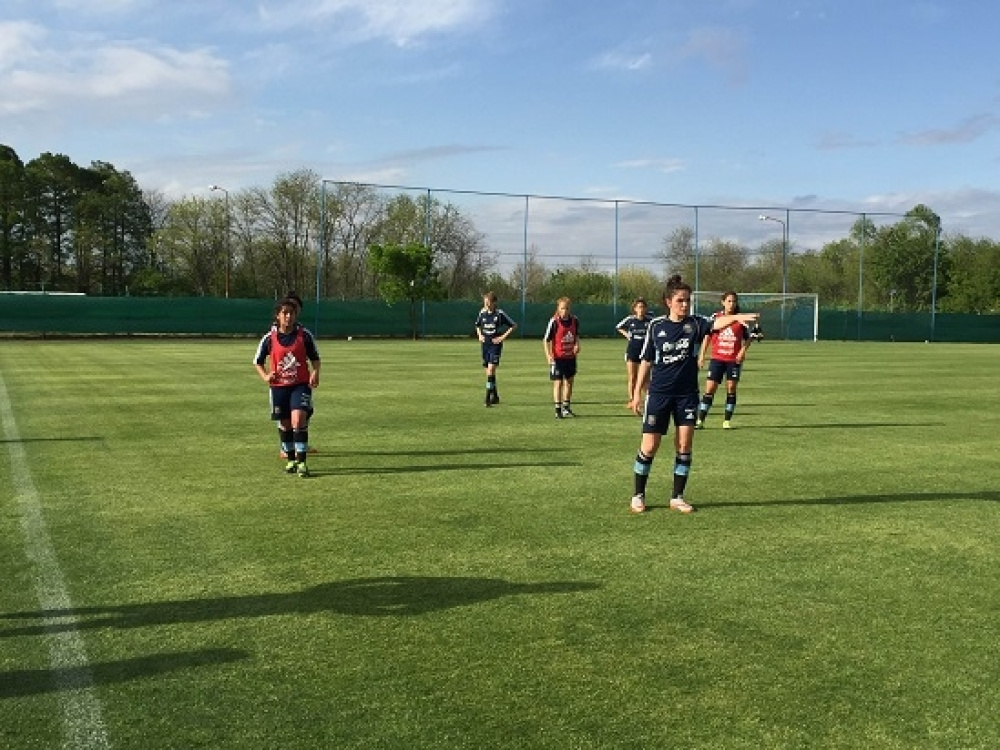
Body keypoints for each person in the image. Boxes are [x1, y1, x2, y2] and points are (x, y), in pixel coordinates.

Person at [627, 275, 759, 514]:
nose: (685, 304)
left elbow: (716, 323)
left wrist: (736, 318)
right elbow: (646, 362)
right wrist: (636, 394)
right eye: (680, 300)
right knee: (650, 445)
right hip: (659, 394)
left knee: (684, 445)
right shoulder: (656, 326)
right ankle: (638, 495)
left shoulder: (696, 324)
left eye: (688, 300)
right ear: (669, 301)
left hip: (686, 395)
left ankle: (677, 497)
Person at [253, 297, 321, 477]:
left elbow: (315, 358)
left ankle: (302, 463)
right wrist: (265, 376)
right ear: (278, 315)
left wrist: (315, 372)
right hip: (279, 387)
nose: (289, 316)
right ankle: (291, 460)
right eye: (285, 313)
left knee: (298, 420)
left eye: (291, 313)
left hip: (300, 385)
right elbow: (257, 361)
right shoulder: (269, 338)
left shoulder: (304, 335)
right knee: (285, 424)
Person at [696, 291, 753, 430]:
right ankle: (700, 420)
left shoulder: (740, 319)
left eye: (734, 301)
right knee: (710, 388)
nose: (731, 304)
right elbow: (707, 337)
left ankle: (727, 421)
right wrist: (702, 355)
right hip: (717, 359)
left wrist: (742, 351)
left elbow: (748, 337)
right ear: (723, 302)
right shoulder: (716, 318)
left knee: (731, 388)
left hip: (733, 360)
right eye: (729, 301)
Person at [475, 292, 518, 407]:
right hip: (485, 344)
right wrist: (480, 335)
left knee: (490, 370)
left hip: (495, 345)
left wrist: (502, 337)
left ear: (494, 302)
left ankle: (487, 399)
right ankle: (495, 396)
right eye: (485, 302)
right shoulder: (482, 312)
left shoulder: (499, 314)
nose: (486, 304)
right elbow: (477, 325)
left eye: (488, 302)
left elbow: (513, 325)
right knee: (489, 373)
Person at [543, 297, 580, 418]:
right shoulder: (554, 322)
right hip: (558, 358)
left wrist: (577, 345)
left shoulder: (574, 320)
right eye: (562, 308)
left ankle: (566, 407)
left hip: (570, 357)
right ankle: (557, 409)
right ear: (558, 309)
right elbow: (546, 340)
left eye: (567, 308)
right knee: (558, 383)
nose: (565, 311)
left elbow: (576, 335)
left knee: (569, 382)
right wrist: (548, 355)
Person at [615, 298, 653, 405]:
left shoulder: (650, 321)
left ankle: (649, 400)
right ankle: (632, 400)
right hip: (632, 351)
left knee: (645, 379)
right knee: (632, 377)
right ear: (635, 309)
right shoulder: (630, 319)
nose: (641, 309)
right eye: (639, 307)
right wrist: (627, 335)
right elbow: (618, 327)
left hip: (645, 352)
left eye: (643, 307)